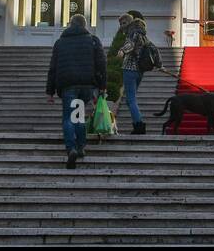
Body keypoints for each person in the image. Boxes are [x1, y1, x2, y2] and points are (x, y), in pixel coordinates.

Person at [46, 13, 107, 168]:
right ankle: (80, 147)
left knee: (68, 117)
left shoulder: (60, 43)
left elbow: (53, 68)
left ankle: (71, 148)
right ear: (84, 25)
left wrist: (50, 91)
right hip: (85, 85)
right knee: (78, 116)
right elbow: (101, 65)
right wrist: (102, 86)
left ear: (70, 24)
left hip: (68, 85)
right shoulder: (92, 41)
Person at [117, 11, 151, 134]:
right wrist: (159, 64)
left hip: (130, 69)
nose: (121, 26)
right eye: (120, 24)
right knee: (130, 100)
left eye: (123, 23)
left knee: (130, 99)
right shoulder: (142, 33)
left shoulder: (132, 33)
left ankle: (139, 126)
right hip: (139, 71)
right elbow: (152, 48)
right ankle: (138, 124)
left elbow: (130, 45)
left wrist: (122, 50)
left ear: (129, 22)